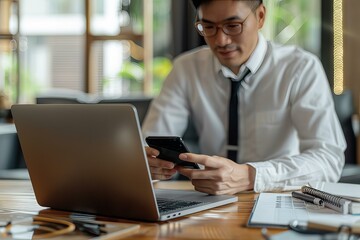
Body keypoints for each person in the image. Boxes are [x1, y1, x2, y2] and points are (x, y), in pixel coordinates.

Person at [142, 0, 346, 194]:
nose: (221, 40)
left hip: (275, 195)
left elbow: (328, 159)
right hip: (209, 199)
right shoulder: (186, 68)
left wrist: (251, 176)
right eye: (209, 27)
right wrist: (148, 163)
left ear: (260, 16)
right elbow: (148, 142)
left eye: (233, 25)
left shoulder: (300, 68)